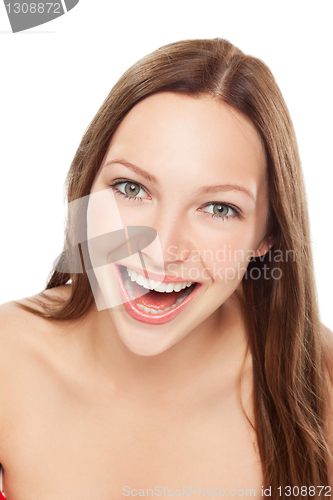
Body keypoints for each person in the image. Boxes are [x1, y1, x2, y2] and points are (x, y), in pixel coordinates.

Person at [0, 38, 332, 500]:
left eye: (218, 208)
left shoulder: (323, 384)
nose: (161, 249)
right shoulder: (6, 359)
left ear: (268, 236)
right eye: (131, 187)